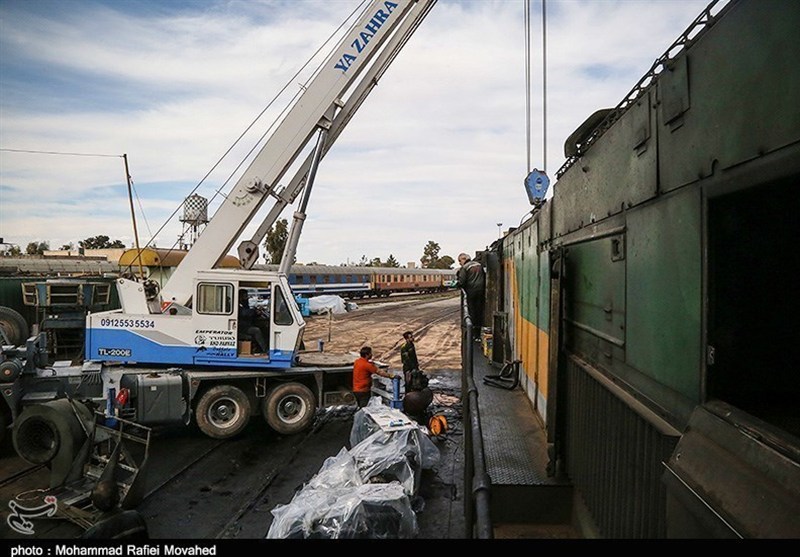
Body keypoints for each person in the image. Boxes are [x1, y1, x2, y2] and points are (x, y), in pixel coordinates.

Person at [457, 252, 486, 341]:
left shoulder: (465, 268)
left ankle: (472, 334)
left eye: (459, 261)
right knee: (479, 312)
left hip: (471, 292)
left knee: (471, 312)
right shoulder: (479, 265)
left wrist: (457, 284)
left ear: (463, 259)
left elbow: (462, 281)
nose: (459, 263)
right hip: (481, 291)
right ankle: (478, 334)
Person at [238, 289, 267, 354]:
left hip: (247, 324)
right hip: (242, 327)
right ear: (240, 296)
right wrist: (254, 311)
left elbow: (248, 312)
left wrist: (257, 312)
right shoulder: (238, 304)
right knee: (257, 330)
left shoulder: (244, 303)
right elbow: (244, 313)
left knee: (264, 326)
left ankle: (259, 348)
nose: (247, 297)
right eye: (245, 296)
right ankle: (265, 349)